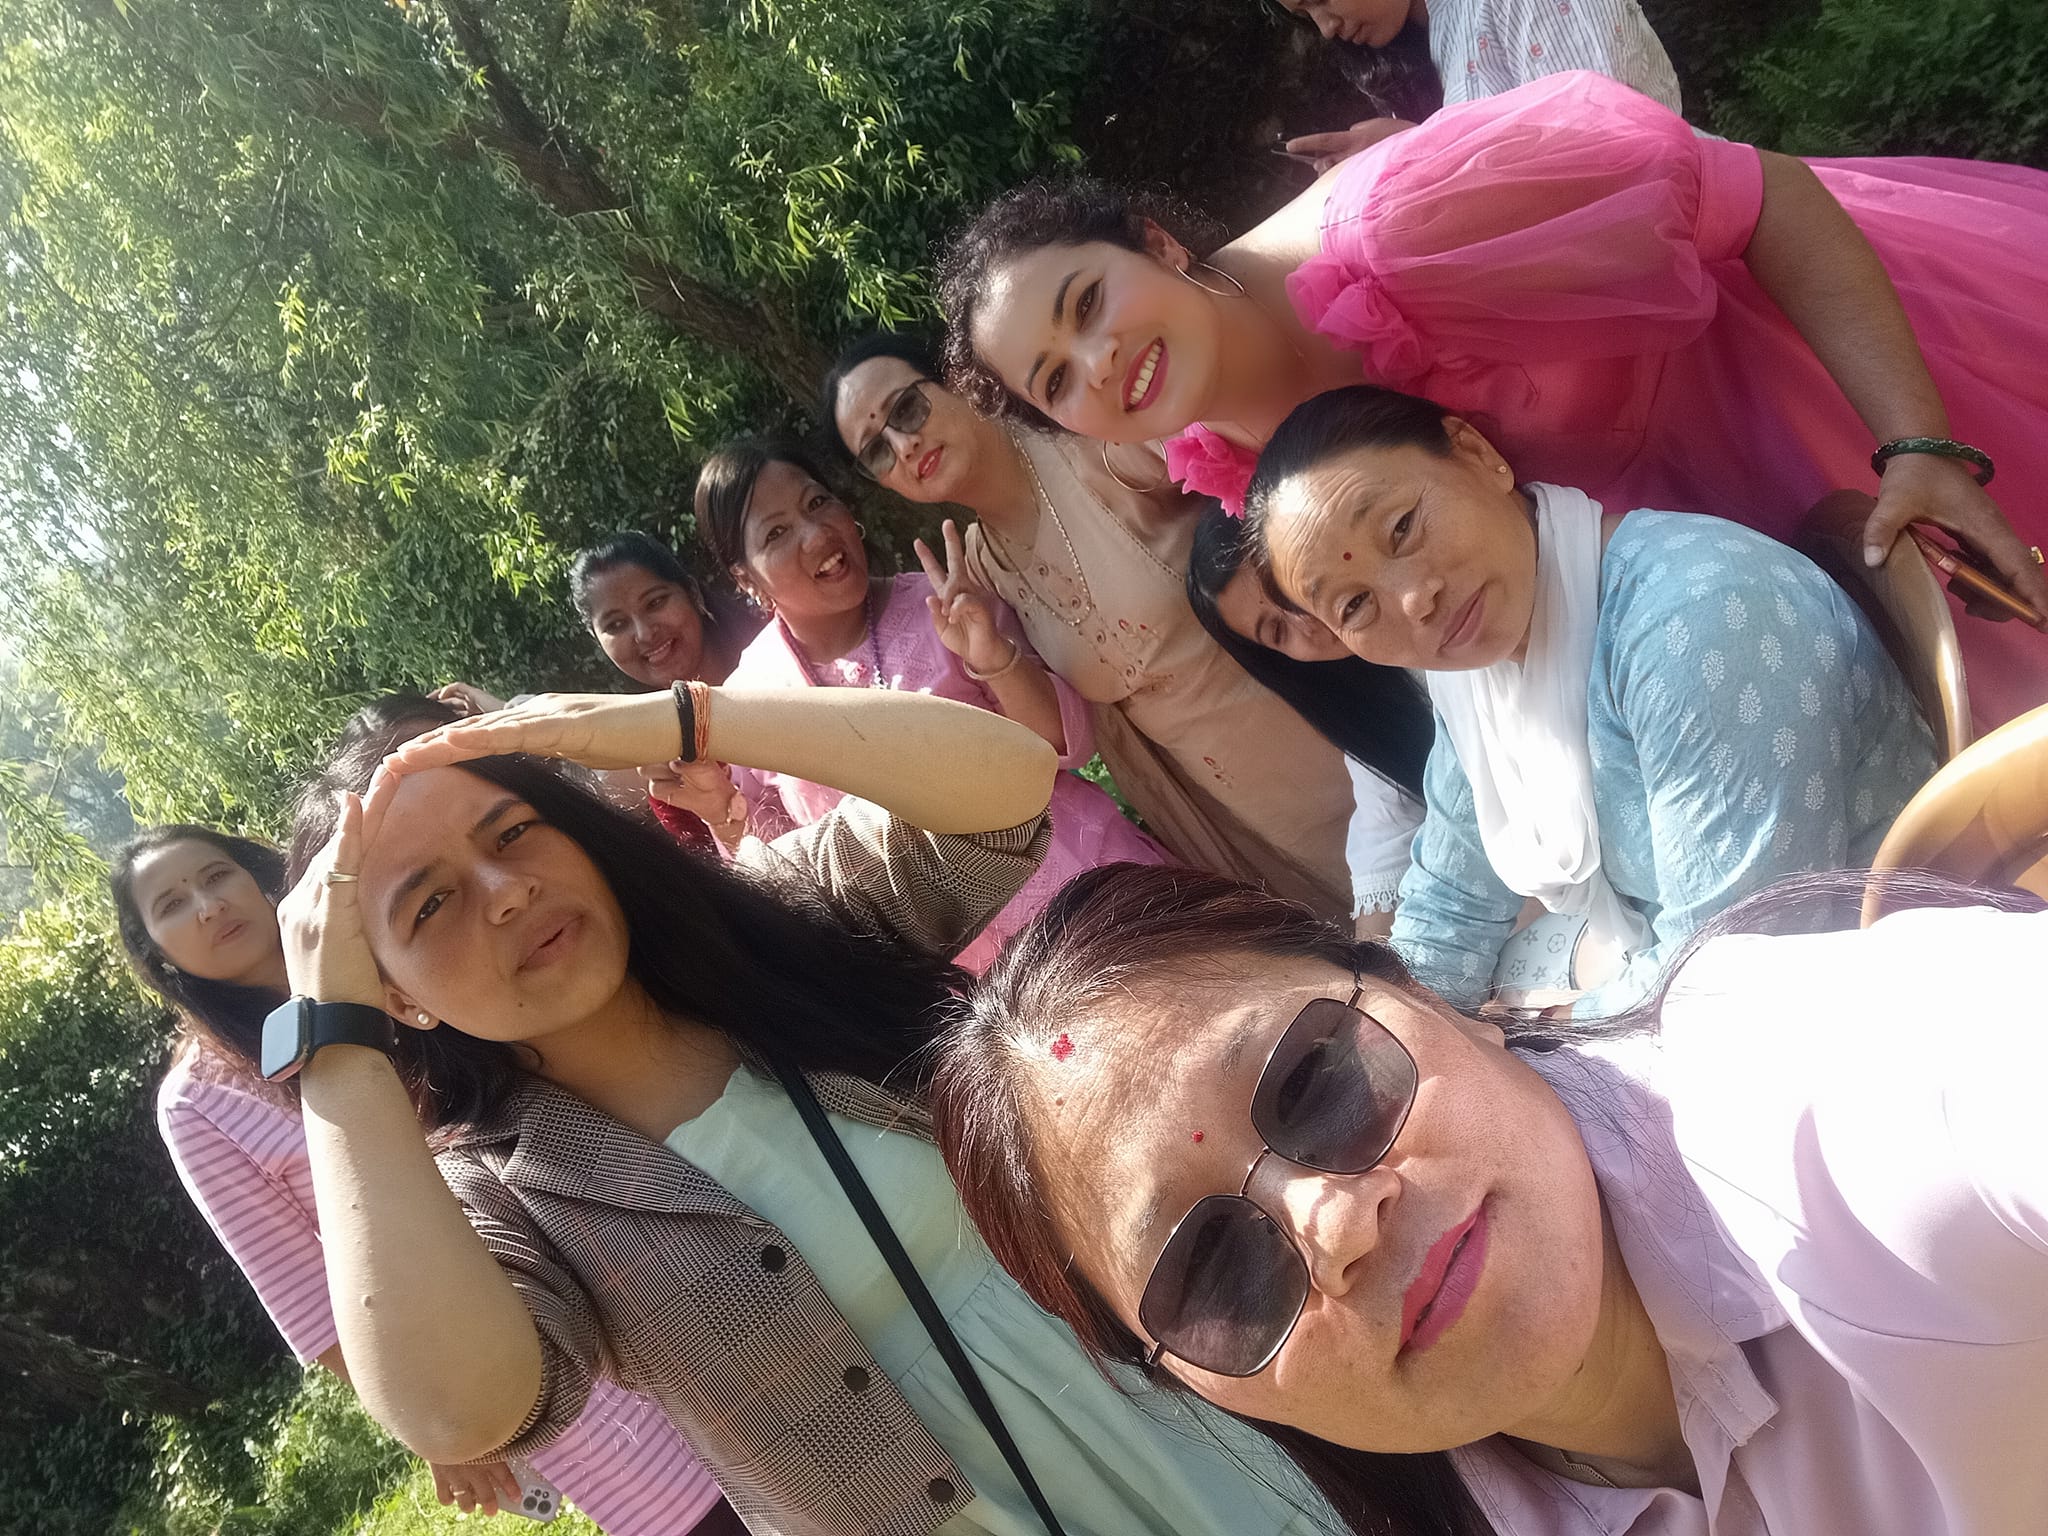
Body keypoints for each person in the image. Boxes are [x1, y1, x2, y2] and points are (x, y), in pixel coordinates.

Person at [276, 683, 1338, 1536]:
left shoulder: (775, 919)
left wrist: (685, 716)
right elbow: (457, 1409)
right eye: (430, 903)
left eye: (513, 832)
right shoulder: (503, 1192)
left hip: (1208, 1391)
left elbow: (1008, 788)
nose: (502, 889)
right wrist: (334, 1049)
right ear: (396, 998)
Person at [932, 862, 2048, 1536]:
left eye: (1317, 1082)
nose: (1333, 1223)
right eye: (1212, 1272)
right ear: (1203, 1389)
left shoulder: (1847, 1094)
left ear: (1438, 1000)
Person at [938, 71, 2048, 728]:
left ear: (1156, 243)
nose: (1097, 363)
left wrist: (1919, 442)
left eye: (1086, 303)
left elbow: (1765, 197)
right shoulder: (1236, 464)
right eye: (1054, 380)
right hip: (1736, 586)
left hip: (1844, 389)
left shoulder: (1411, 224)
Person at [110, 818, 739, 1534]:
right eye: (172, 905)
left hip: (623, 1234)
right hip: (497, 1322)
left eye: (215, 875)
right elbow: (307, 1293)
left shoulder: (384, 943)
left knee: (790, 1430)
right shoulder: (201, 1103)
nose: (208, 906)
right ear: (157, 955)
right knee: (690, 1510)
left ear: (254, 876)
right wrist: (426, 1420)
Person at [1247, 384, 1936, 1013]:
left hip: (1878, 983)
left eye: (1401, 527)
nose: (1412, 599)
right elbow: (1450, 904)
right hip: (1694, 976)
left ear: (1478, 454)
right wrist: (1399, 1039)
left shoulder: (1694, 620)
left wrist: (1543, 1034)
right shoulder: (1481, 681)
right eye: (1355, 605)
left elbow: (1733, 968)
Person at [823, 333, 1375, 918]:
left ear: (955, 378)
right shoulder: (983, 572)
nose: (904, 445)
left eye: (907, 409)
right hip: (1243, 816)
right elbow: (1069, 741)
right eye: (877, 452)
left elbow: (1263, 477)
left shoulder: (1092, 440)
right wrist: (991, 657)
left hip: (1339, 723)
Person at [696, 434, 1168, 967]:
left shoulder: (946, 606)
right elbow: (775, 883)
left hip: (1093, 896)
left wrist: (994, 659)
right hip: (964, 981)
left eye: (817, 502)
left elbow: (1067, 744)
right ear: (746, 577)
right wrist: (719, 815)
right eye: (777, 533)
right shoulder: (747, 701)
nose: (817, 533)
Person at [435, 531, 770, 852]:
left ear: (692, 592)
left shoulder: (778, 658)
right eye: (616, 625)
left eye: (655, 602)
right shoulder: (661, 764)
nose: (644, 633)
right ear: (598, 641)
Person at [1183, 501, 1427, 933]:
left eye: (1288, 587)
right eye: (1277, 631)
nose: (1307, 621)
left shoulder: (1453, 595)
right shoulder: (1375, 714)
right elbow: (1385, 851)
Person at [1273, 0, 1680, 169]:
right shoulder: (1431, 39)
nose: (1325, 28)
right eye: (1305, 14)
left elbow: (1614, 155)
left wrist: (1420, 151)